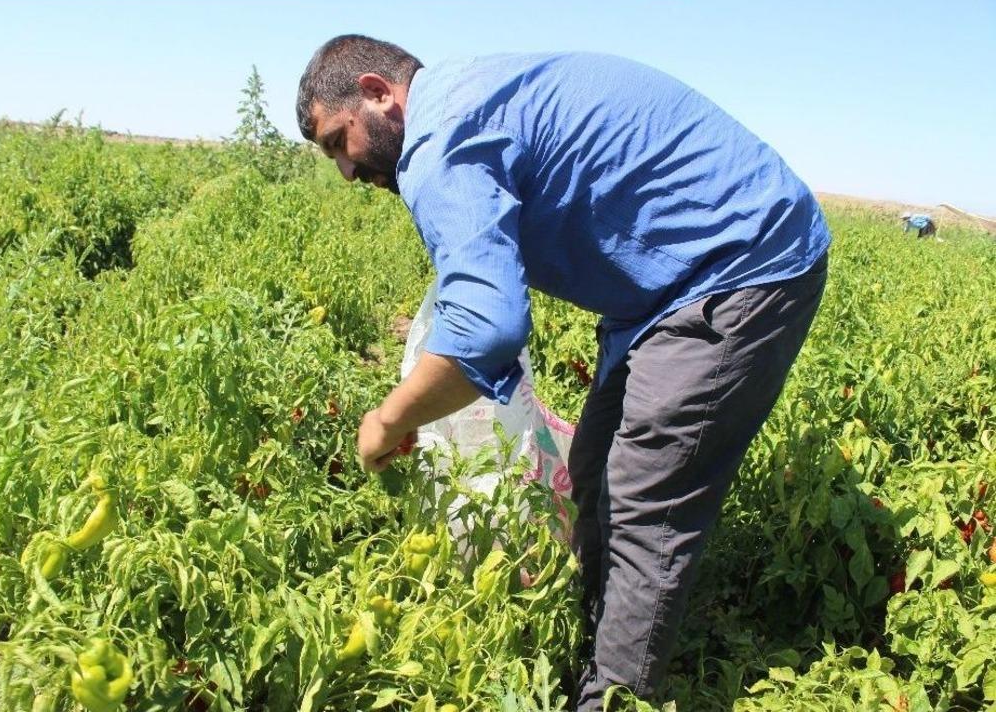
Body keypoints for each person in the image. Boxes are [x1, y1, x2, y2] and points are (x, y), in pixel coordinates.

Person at [296, 35, 830, 710]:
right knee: (593, 469)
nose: (346, 172)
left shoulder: (438, 144)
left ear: (377, 93)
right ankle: (592, 637)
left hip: (738, 264)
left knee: (646, 498)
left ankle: (613, 695)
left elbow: (486, 330)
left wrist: (387, 420)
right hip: (663, 284)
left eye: (338, 143)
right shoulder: (462, 96)